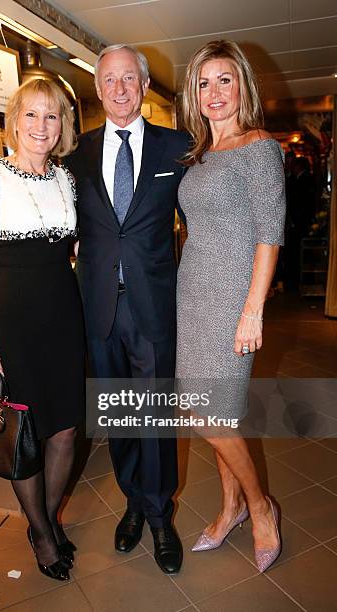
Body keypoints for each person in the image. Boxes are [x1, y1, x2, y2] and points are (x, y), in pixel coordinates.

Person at [66, 44, 189, 575]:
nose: (119, 89)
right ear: (98, 90)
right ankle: (133, 503)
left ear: (143, 86)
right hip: (98, 310)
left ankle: (160, 516)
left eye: (129, 79)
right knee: (117, 416)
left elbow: (203, 222)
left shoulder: (178, 147)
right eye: (109, 80)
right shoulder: (74, 156)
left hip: (153, 308)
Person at [0, 78, 85, 581]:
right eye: (31, 115)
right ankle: (40, 531)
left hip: (64, 315)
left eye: (51, 116)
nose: (41, 126)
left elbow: (73, 253)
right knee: (25, 434)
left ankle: (48, 516)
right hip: (13, 322)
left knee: (66, 428)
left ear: (63, 126)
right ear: (14, 121)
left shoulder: (67, 179)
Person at [176, 40, 285, 573]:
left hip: (231, 302)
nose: (214, 92)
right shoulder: (199, 155)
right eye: (204, 83)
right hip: (192, 295)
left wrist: (252, 310)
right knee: (204, 411)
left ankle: (260, 506)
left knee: (210, 412)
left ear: (243, 85)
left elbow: (270, 236)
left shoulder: (259, 147)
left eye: (225, 80)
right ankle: (230, 508)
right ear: (194, 96)